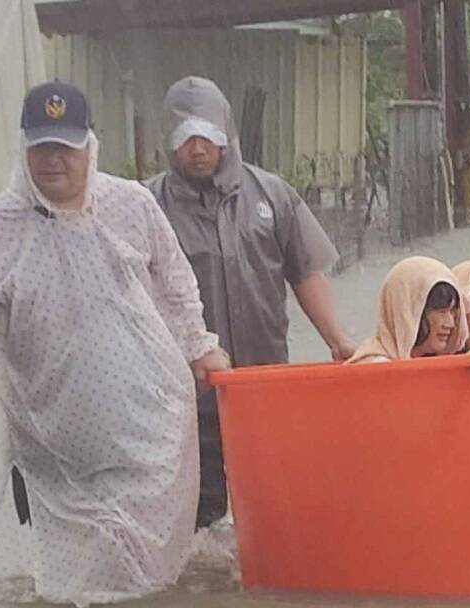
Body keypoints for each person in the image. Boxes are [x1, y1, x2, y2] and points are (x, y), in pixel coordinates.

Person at [0, 82, 230, 606]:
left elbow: (178, 283)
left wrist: (200, 345)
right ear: (24, 149)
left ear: (90, 146)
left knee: (146, 584)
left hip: (147, 429)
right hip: (53, 441)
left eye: (64, 147)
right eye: (41, 147)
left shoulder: (131, 205)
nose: (52, 160)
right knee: (69, 593)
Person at [146, 76, 355, 528]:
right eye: (185, 138)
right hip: (183, 398)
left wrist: (338, 340)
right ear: (169, 142)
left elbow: (305, 272)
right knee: (194, 522)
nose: (197, 149)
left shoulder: (272, 195)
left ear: (226, 133)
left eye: (207, 136)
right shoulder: (145, 206)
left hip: (264, 387)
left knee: (273, 510)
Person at [348, 257, 469, 364]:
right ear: (408, 311)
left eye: (453, 312)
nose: (450, 323)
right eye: (441, 312)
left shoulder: (435, 363)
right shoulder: (374, 367)